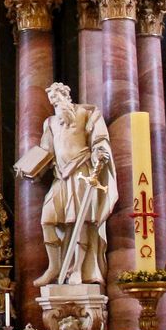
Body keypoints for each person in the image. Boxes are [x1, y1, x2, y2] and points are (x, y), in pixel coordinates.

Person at [14, 82, 117, 286]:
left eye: (57, 98)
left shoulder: (87, 113)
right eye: (52, 102)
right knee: (47, 218)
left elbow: (99, 139)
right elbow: (46, 151)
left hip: (81, 172)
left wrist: (99, 152)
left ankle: (78, 269)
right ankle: (54, 267)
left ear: (66, 96)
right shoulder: (51, 123)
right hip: (60, 176)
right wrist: (30, 168)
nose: (55, 104)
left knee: (81, 221)